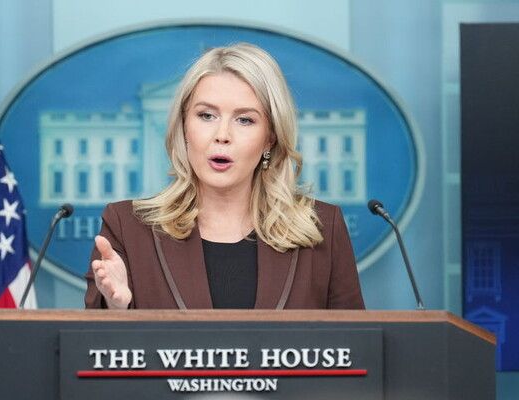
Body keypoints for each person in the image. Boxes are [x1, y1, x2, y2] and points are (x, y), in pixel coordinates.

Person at [85, 43, 364, 310]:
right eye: (207, 116)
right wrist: (117, 307)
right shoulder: (127, 228)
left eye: (245, 120)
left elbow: (355, 340)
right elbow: (93, 339)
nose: (222, 135)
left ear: (270, 138)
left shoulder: (323, 229)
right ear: (184, 127)